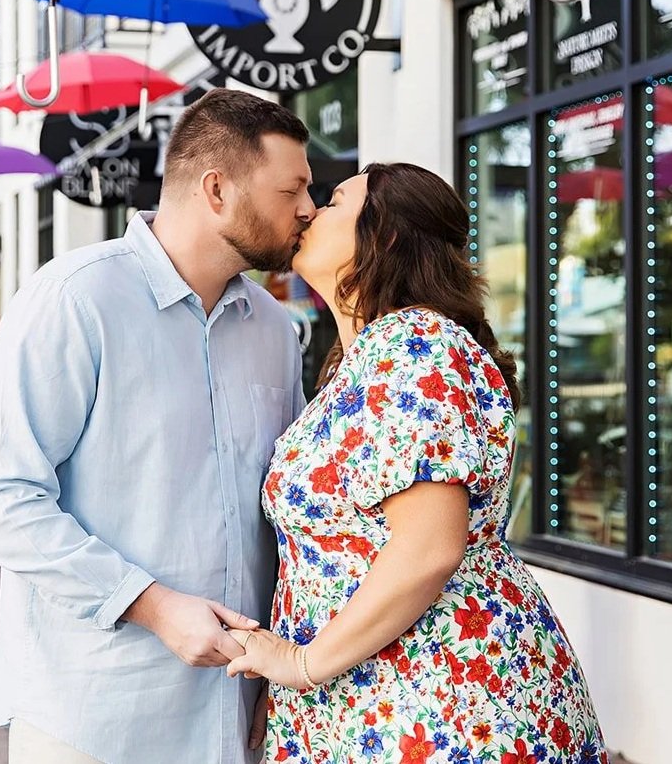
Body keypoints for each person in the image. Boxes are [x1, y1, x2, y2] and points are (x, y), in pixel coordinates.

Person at [0, 89, 316, 764]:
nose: (308, 208)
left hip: (235, 713)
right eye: (291, 188)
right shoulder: (74, 300)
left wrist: (286, 668)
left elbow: (286, 513)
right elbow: (1, 501)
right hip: (94, 717)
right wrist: (150, 604)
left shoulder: (275, 328)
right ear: (217, 190)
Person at [227, 164, 608, 763]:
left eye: (332, 202)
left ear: (385, 236)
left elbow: (429, 547)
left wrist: (302, 664)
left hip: (442, 703)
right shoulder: (361, 360)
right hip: (386, 696)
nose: (308, 212)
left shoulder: (413, 343)